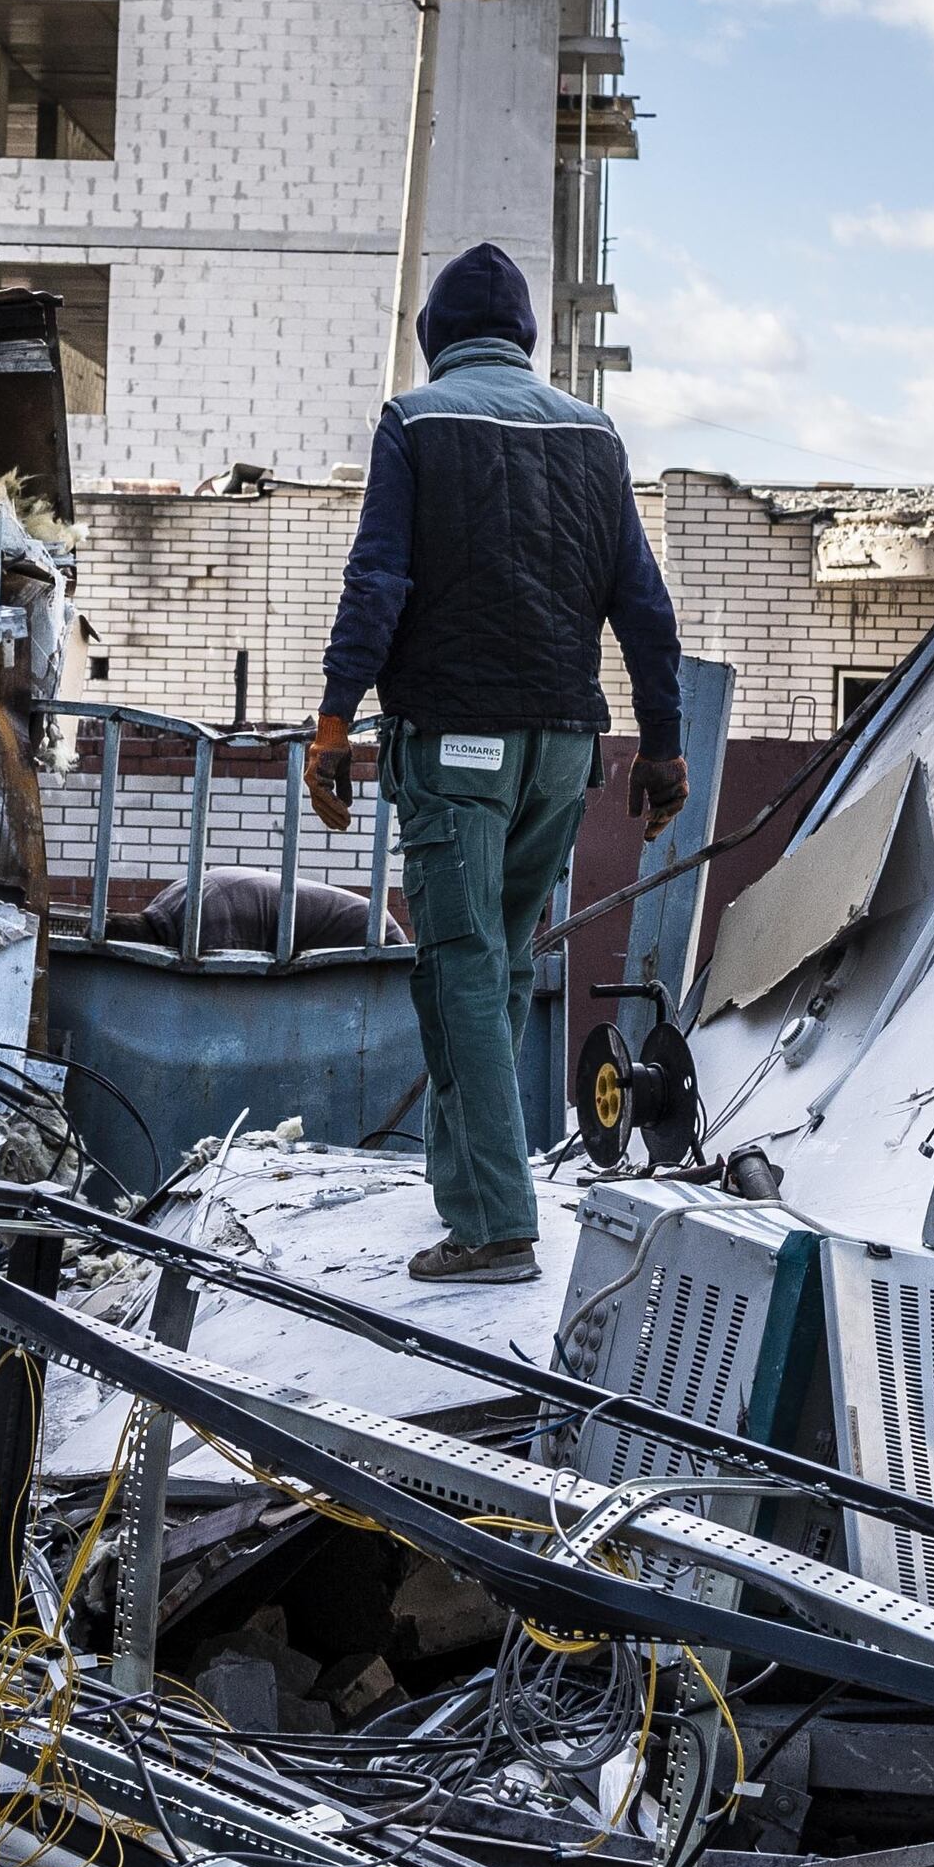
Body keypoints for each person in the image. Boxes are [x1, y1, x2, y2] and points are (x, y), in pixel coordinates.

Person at [309, 245, 689, 1283]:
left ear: (435, 338)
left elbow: (377, 580)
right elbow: (644, 610)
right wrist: (661, 747)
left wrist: (334, 716)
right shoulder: (592, 434)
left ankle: (491, 1227)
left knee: (461, 971)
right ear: (523, 338)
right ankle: (466, 1191)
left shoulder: (415, 422)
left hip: (456, 748)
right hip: (564, 752)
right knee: (501, 967)